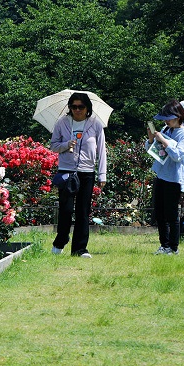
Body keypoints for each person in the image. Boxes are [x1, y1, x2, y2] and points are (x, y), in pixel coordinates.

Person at [50, 92, 107, 258]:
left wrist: (102, 174)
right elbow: (53, 146)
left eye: (81, 107)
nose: (77, 110)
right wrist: (66, 145)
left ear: (87, 108)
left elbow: (101, 150)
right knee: (66, 209)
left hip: (87, 172)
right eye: (74, 107)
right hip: (67, 171)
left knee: (83, 211)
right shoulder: (62, 122)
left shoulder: (95, 124)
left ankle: (80, 249)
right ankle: (61, 240)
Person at [146, 99, 184, 255]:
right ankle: (164, 244)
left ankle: (173, 248)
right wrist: (151, 139)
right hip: (161, 175)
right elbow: (152, 149)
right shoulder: (166, 129)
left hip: (174, 178)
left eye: (168, 118)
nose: (166, 121)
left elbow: (178, 155)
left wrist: (164, 141)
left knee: (171, 214)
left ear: (178, 116)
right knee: (159, 212)